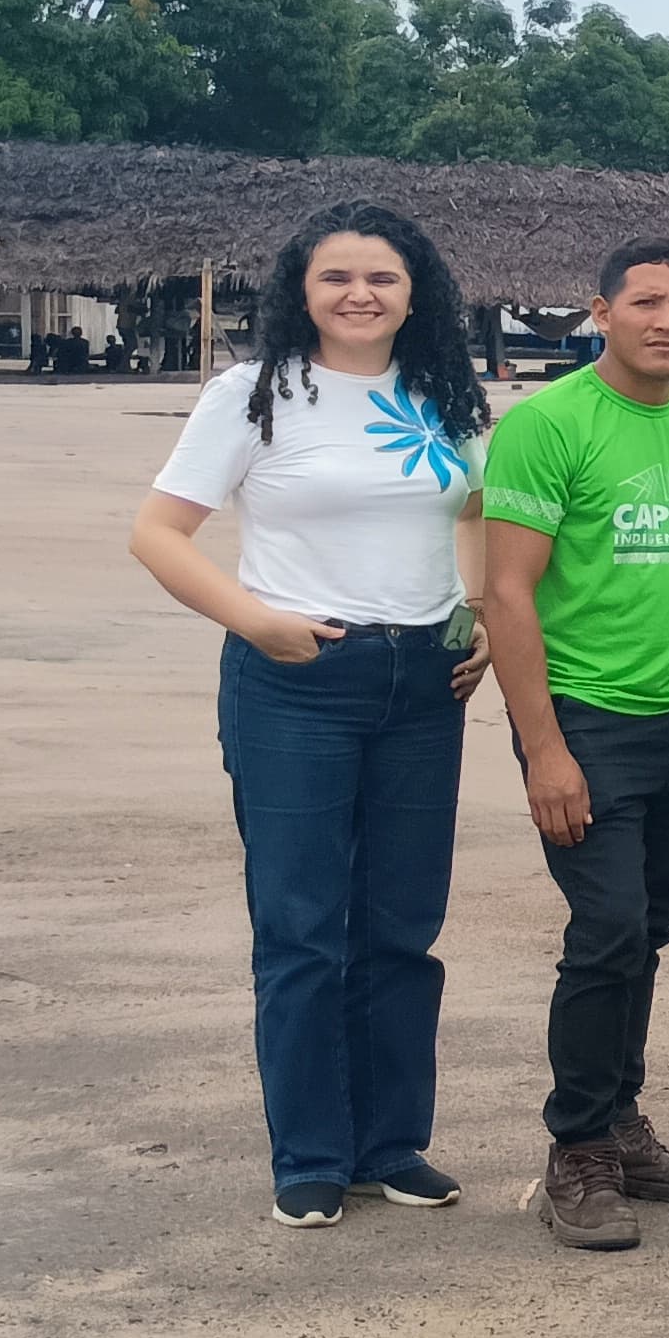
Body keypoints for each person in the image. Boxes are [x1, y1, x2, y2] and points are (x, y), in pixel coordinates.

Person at [131, 205, 495, 1228]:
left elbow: (473, 512)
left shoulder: (445, 394)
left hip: (423, 684)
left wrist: (469, 617)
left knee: (402, 928)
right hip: (297, 680)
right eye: (336, 277)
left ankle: (391, 1143)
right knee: (301, 929)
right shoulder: (253, 396)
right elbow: (158, 534)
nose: (359, 294)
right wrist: (259, 622)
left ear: (416, 290)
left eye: (382, 276)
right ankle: (311, 1153)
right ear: (302, 289)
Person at [481, 237, 669, 1252]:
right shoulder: (549, 424)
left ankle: (623, 1123)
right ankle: (577, 1150)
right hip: (586, 717)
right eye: (648, 302)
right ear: (602, 311)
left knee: (651, 926)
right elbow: (508, 593)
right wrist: (544, 748)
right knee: (607, 929)